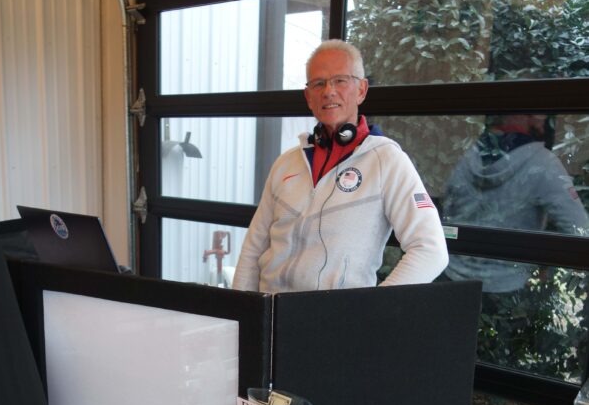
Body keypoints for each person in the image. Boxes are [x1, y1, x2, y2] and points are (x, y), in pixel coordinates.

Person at [232, 39, 448, 293]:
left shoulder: (387, 161)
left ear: (361, 90)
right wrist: (240, 315)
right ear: (308, 97)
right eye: (319, 83)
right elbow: (253, 249)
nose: (328, 91)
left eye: (340, 80)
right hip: (269, 315)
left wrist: (369, 310)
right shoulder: (286, 163)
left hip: (334, 322)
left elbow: (431, 250)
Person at [442, 113, 589, 291]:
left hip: (454, 277)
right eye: (538, 113)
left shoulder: (468, 154)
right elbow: (579, 230)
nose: (544, 118)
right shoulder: (543, 163)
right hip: (508, 288)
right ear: (523, 116)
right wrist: (546, 272)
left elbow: (447, 210)